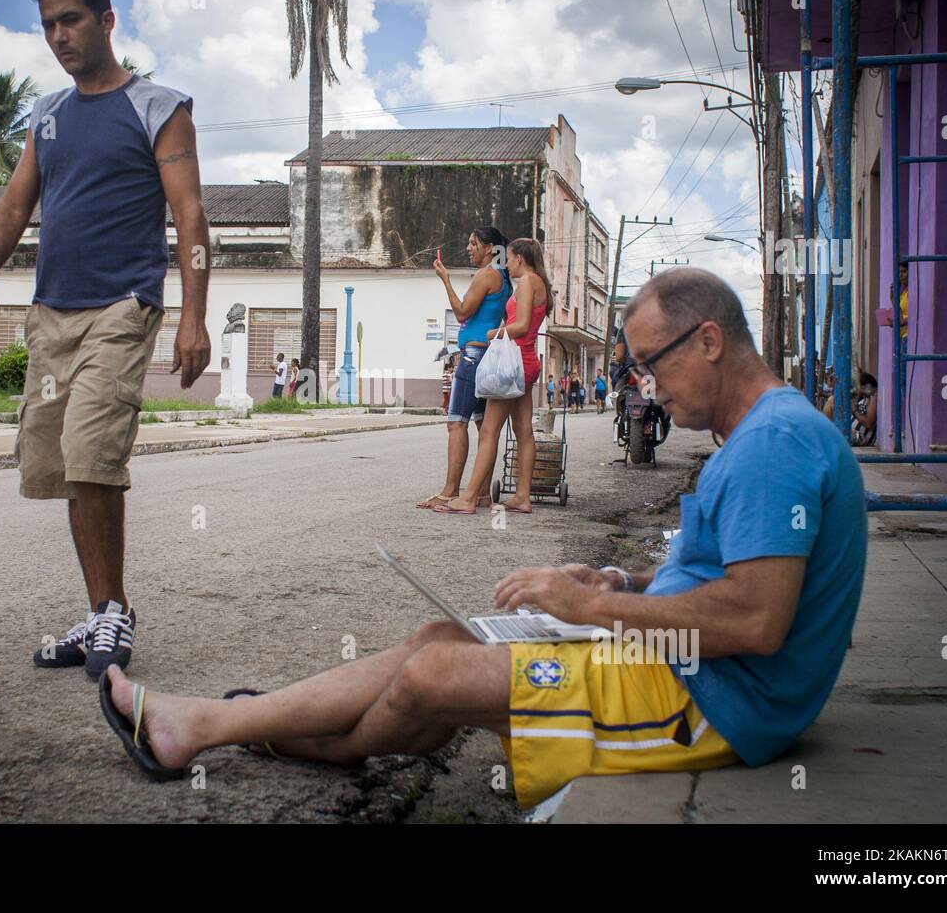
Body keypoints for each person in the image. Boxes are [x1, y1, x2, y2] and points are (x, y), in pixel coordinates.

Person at [97, 268, 868, 811]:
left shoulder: (773, 446)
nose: (643, 387)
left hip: (708, 704)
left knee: (436, 675)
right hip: (673, 669)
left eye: (648, 366)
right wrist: (621, 587)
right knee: (438, 636)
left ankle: (272, 734)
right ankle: (232, 724)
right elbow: (728, 583)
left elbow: (755, 622)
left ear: (707, 342)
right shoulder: (765, 435)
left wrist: (585, 609)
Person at [0, 0, 210, 678]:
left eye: (71, 19)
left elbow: (189, 215)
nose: (60, 35)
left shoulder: (159, 107)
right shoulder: (46, 115)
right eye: (48, 26)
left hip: (122, 307)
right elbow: (10, 209)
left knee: (93, 452)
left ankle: (113, 615)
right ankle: (101, 613)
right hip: (51, 313)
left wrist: (194, 317)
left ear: (107, 20)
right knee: (63, 464)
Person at [434, 237, 550, 515]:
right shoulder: (540, 284)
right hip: (528, 362)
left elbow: (520, 326)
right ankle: (522, 496)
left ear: (520, 259)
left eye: (509, 258)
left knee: (488, 431)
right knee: (523, 431)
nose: (506, 264)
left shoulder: (528, 283)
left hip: (514, 362)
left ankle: (469, 497)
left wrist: (492, 333)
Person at [418, 227, 512, 510]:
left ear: (490, 248)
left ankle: (449, 492)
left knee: (456, 422)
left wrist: (445, 280)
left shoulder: (486, 275)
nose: (469, 247)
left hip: (472, 357)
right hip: (488, 358)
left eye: (474, 243)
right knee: (484, 426)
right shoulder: (504, 278)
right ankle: (482, 493)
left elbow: (461, 312)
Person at [851, 372, 878, 446]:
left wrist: (855, 411)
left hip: (862, 438)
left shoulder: (873, 398)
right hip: (853, 433)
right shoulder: (864, 399)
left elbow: (868, 423)